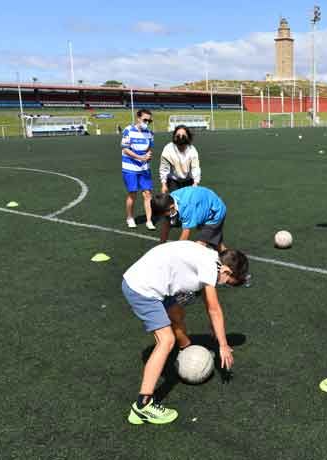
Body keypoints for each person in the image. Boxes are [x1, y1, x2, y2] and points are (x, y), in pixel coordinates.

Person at [122, 241, 249, 424]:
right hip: (143, 288)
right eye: (228, 283)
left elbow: (207, 299)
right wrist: (222, 345)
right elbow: (214, 308)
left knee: (177, 312)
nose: (224, 285)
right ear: (226, 271)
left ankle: (186, 348)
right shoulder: (211, 267)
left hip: (152, 279)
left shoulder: (211, 257)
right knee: (166, 341)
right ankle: (143, 405)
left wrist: (215, 328)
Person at [151, 186, 226, 250]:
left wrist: (175, 254)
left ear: (172, 207)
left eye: (164, 215)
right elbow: (166, 224)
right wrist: (160, 247)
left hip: (214, 213)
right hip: (201, 208)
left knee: (198, 247)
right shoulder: (168, 200)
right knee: (217, 244)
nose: (164, 217)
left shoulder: (186, 207)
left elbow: (184, 237)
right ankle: (229, 259)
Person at [121, 109, 155, 230]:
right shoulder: (128, 130)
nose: (147, 122)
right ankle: (130, 217)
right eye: (145, 120)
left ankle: (149, 220)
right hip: (130, 168)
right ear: (138, 118)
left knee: (148, 194)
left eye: (149, 121)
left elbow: (150, 148)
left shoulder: (150, 133)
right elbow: (125, 149)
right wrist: (140, 157)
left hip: (144, 168)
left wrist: (149, 155)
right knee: (133, 193)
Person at [159, 125, 201, 193]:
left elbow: (195, 168)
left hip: (188, 180)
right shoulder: (168, 149)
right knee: (175, 200)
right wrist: (164, 184)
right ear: (174, 137)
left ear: (188, 137)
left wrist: (196, 183)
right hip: (173, 180)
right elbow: (164, 168)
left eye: (183, 136)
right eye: (178, 135)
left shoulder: (192, 150)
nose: (180, 137)